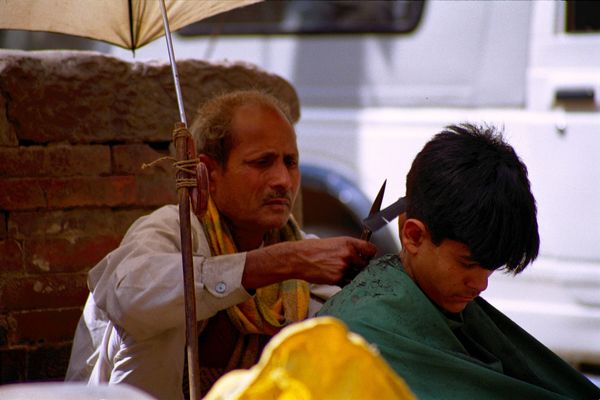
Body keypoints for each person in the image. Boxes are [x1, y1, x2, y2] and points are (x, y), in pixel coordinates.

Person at [65, 90, 377, 399]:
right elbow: (130, 298)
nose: (283, 179)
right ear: (209, 174)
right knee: (160, 318)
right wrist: (281, 263)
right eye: (262, 162)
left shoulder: (301, 254)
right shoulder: (172, 230)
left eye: (290, 162)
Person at [318, 123, 600, 399]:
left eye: (490, 268)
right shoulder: (360, 336)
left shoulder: (439, 297)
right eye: (467, 263)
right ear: (414, 236)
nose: (480, 284)